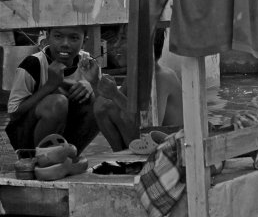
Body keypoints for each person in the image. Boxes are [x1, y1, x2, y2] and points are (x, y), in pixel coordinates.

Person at [5, 25, 99, 154]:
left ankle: (68, 155)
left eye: (74, 38)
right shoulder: (33, 64)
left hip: (67, 132)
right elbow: (14, 113)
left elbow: (106, 106)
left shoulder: (88, 64)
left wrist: (92, 85)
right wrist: (50, 86)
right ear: (47, 37)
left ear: (84, 41)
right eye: (58, 36)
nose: (65, 44)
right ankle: (41, 159)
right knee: (57, 102)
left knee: (97, 103)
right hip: (27, 137)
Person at [93, 27, 184, 151]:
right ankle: (121, 156)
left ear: (142, 46)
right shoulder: (134, 75)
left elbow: (151, 127)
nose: (116, 45)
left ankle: (133, 160)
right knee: (102, 105)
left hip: (169, 148)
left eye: (123, 39)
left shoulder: (161, 77)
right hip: (145, 143)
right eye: (118, 38)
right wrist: (94, 81)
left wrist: (115, 94)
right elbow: (109, 108)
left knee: (116, 107)